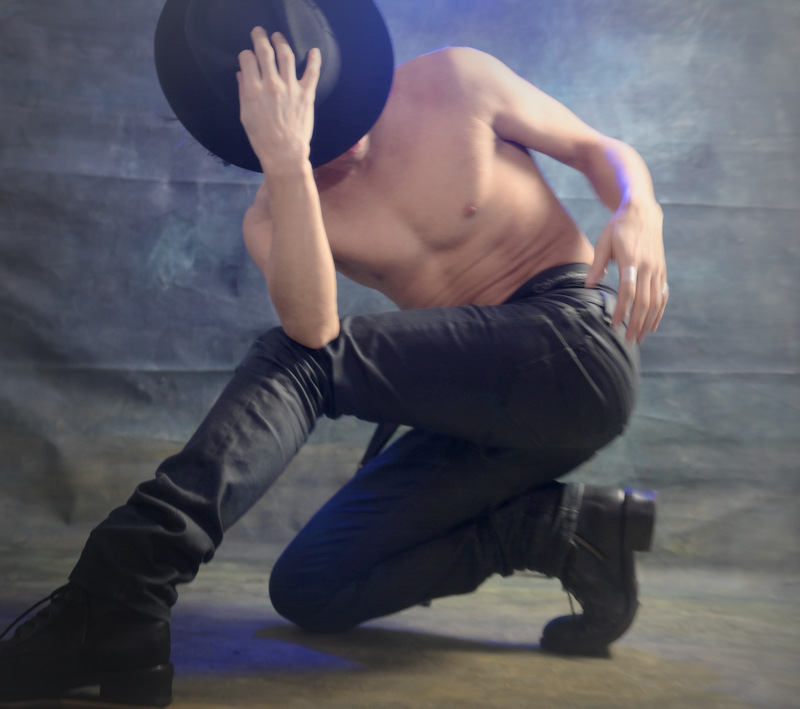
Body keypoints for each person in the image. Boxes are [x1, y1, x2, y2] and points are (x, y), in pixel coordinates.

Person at [0, 13, 667, 708]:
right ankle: (566, 533)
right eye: (301, 122)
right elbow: (315, 327)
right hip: (482, 411)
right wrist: (290, 163)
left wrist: (638, 203)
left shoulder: (456, 79)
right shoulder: (274, 213)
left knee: (300, 361)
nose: (340, 137)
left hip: (574, 345)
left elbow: (599, 149)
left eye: (331, 102)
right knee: (313, 585)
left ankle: (118, 592)